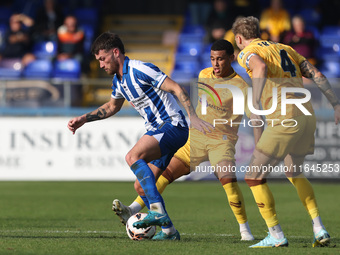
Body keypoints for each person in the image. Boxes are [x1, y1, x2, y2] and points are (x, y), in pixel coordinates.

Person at [112, 39, 264, 241]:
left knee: (228, 182)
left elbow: (254, 116)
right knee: (162, 176)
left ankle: (245, 232)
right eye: (212, 59)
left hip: (221, 142)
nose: (215, 64)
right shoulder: (203, 75)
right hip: (195, 139)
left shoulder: (241, 86)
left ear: (231, 58)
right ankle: (134, 209)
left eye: (220, 59)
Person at [67, 32, 212, 241]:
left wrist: (193, 117)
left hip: (172, 125)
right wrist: (84, 119)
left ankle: (157, 211)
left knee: (132, 156)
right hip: (159, 129)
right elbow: (111, 107)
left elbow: (176, 87)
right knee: (141, 185)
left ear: (115, 52)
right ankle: (170, 232)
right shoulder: (118, 81)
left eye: (102, 58)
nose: (100, 65)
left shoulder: (140, 69)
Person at [232, 16, 340, 248]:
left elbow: (259, 66)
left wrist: (256, 100)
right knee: (294, 172)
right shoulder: (286, 48)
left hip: (285, 117)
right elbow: (316, 74)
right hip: (306, 115)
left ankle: (276, 234)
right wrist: (336, 104)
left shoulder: (245, 52)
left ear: (239, 38)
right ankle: (319, 228)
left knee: (253, 176)